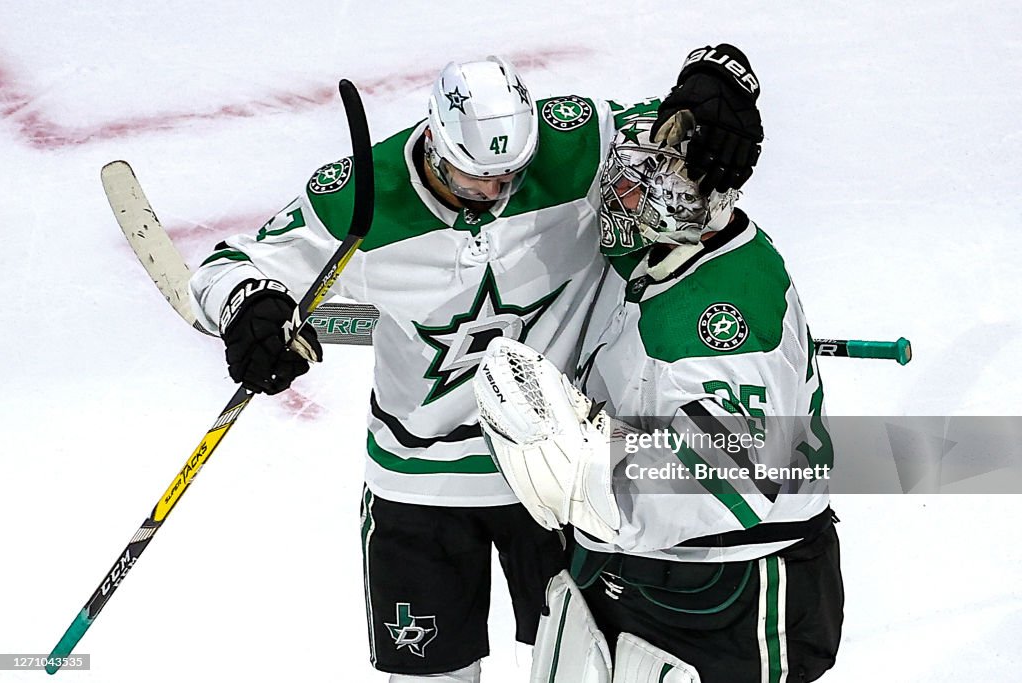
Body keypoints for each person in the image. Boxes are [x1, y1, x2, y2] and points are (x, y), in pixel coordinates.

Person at [188, 49, 764, 682]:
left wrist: (718, 80)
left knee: (581, 670)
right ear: (434, 140)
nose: (495, 193)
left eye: (511, 174)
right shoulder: (358, 196)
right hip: (418, 480)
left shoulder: (574, 139)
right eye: (475, 179)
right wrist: (250, 309)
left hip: (552, 471)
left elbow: (681, 137)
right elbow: (224, 269)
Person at [473, 46, 843, 683]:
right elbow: (715, 86)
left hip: (729, 589)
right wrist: (716, 81)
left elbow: (737, 478)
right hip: (631, 570)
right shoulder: (659, 242)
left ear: (690, 208)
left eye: (645, 188)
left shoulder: (727, 315)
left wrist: (586, 470)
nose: (621, 194)